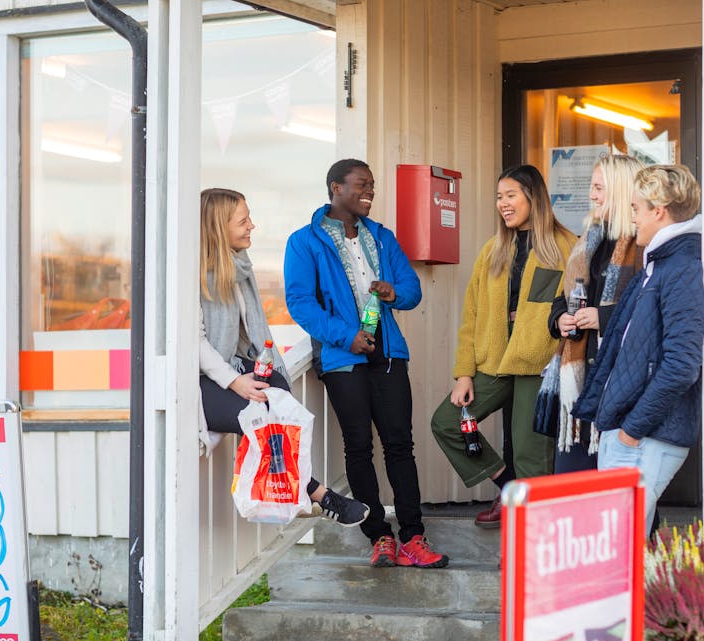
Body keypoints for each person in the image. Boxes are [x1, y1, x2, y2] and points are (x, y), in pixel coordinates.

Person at [283, 159, 448, 569]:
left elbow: (411, 290)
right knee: (358, 448)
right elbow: (300, 303)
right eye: (361, 185)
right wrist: (345, 335)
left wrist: (392, 292)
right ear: (336, 188)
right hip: (343, 358)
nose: (369, 192)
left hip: (389, 354)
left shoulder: (382, 237)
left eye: (372, 185)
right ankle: (380, 537)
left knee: (399, 445)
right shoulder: (305, 242)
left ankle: (412, 536)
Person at [198, 187, 369, 527]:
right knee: (262, 410)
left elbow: (248, 333)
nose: (252, 227)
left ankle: (302, 490)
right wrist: (236, 381)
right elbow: (195, 343)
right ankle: (318, 494)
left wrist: (259, 367)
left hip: (229, 364)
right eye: (243, 221)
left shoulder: (238, 269)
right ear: (219, 227)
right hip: (198, 381)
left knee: (276, 382)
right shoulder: (193, 276)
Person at [430, 164, 577, 528]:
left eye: (511, 195)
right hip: (493, 363)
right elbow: (472, 317)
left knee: (530, 454)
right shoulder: (492, 250)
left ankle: (532, 537)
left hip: (537, 365)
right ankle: (508, 488)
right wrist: (464, 374)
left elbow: (570, 308)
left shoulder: (565, 247)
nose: (503, 204)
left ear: (533, 198)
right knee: (448, 422)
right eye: (499, 197)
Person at [571, 165, 704, 536]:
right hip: (632, 432)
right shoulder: (659, 265)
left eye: (635, 208)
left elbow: (682, 365)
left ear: (658, 211)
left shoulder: (680, 268)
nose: (632, 218)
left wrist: (632, 428)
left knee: (617, 553)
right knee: (623, 556)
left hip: (644, 436)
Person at [545, 154, 644, 473]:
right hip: (580, 382)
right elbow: (560, 299)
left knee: (620, 483)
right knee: (572, 483)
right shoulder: (587, 240)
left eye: (599, 187)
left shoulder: (641, 246)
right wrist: (559, 319)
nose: (592, 195)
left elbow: (647, 309)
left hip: (619, 382)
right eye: (592, 187)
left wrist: (601, 318)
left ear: (619, 189)